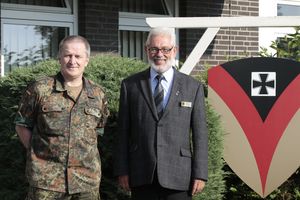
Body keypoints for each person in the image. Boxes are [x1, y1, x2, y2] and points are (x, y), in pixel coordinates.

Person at [113, 27, 208, 200]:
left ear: (175, 50)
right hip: (141, 174)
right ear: (146, 50)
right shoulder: (130, 85)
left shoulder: (193, 87)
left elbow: (200, 134)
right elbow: (123, 132)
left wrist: (200, 173)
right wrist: (122, 170)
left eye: (165, 49)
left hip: (179, 175)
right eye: (154, 49)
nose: (159, 54)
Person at [14, 35, 109, 200]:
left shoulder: (98, 94)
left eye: (78, 56)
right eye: (68, 55)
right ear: (59, 58)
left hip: (86, 181)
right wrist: (38, 153)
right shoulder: (40, 89)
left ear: (86, 60)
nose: (73, 61)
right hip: (47, 181)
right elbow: (22, 125)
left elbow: (98, 131)